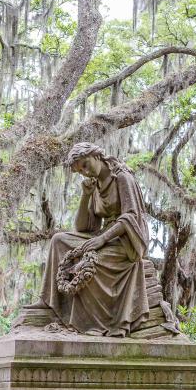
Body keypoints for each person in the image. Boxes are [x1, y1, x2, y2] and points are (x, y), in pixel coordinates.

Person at [33, 142, 152, 337]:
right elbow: (84, 228)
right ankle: (48, 300)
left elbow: (131, 217)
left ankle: (91, 321)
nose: (85, 173)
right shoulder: (95, 185)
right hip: (103, 236)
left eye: (85, 165)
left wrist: (102, 240)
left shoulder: (122, 177)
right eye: (80, 171)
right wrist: (85, 196)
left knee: (86, 261)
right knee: (58, 240)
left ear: (96, 155)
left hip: (125, 241)